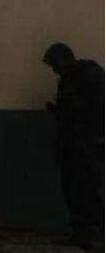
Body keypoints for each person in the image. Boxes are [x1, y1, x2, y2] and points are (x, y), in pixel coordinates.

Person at [43, 42, 104, 251]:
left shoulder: (92, 77)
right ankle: (82, 234)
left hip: (88, 147)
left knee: (90, 193)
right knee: (74, 192)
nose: (54, 70)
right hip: (72, 147)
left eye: (54, 64)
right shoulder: (68, 80)